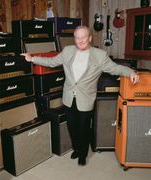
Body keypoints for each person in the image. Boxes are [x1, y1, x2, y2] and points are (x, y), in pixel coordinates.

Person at [21, 26, 140, 166]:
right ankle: (76, 148)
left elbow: (115, 68)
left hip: (86, 98)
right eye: (77, 37)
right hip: (68, 97)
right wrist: (32, 58)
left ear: (89, 38)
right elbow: (51, 62)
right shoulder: (68, 51)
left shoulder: (100, 55)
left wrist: (130, 72)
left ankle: (83, 154)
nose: (80, 41)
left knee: (83, 128)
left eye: (83, 37)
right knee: (72, 127)